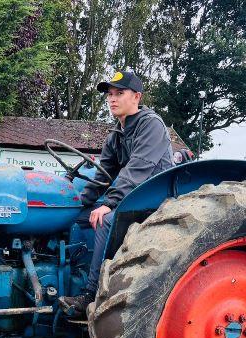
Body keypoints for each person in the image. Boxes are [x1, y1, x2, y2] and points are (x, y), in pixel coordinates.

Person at [58, 70, 174, 317]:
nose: (112, 99)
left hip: (157, 199)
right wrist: (75, 203)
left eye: (119, 93)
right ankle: (68, 278)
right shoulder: (117, 133)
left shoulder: (150, 125)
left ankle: (90, 296)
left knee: (104, 221)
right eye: (110, 94)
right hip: (135, 198)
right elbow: (102, 175)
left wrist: (109, 203)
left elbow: (138, 169)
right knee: (76, 219)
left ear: (136, 97)